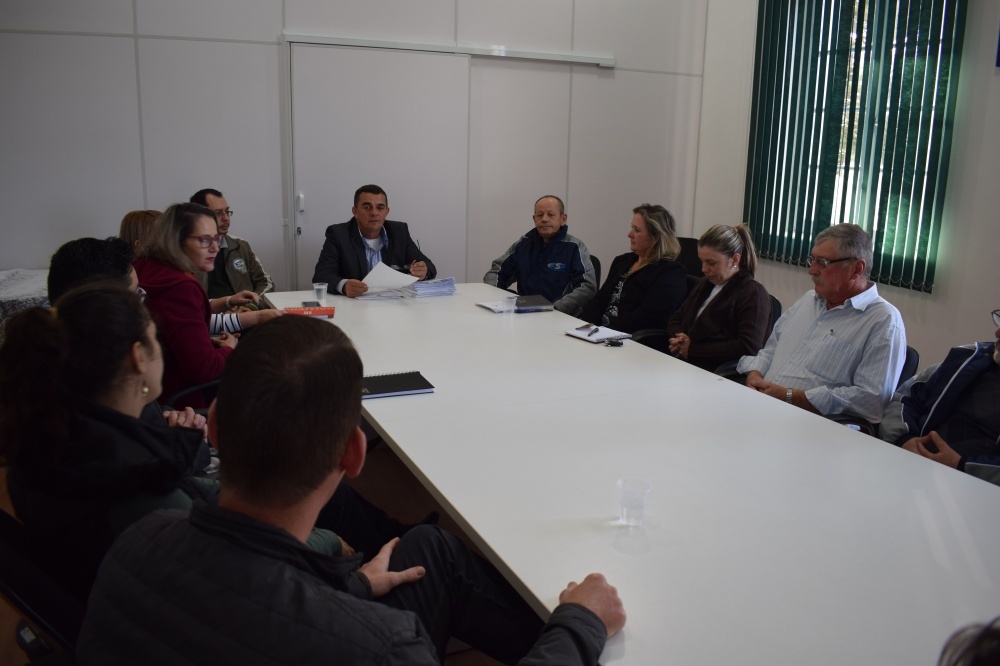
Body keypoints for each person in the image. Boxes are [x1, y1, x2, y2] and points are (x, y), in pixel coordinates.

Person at [77, 316, 626, 664]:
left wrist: (356, 586)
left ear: (214, 426)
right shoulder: (383, 648)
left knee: (427, 548)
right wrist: (581, 625)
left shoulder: (137, 541)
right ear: (354, 455)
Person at [0, 283, 215, 602]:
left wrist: (169, 447)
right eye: (154, 338)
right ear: (139, 357)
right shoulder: (140, 492)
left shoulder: (42, 445)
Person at [737, 223, 906, 422]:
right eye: (812, 259)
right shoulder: (809, 300)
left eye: (823, 262)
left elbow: (871, 401)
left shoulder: (883, 321)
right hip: (761, 406)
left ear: (857, 269)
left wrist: (791, 397)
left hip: (812, 425)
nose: (812, 270)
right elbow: (771, 350)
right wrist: (755, 374)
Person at [133, 203, 242, 407]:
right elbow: (204, 369)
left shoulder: (144, 266)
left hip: (149, 393)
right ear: (176, 241)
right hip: (182, 402)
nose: (215, 248)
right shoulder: (180, 288)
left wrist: (207, 344)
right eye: (205, 240)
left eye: (217, 238)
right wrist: (229, 349)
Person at [880, 309, 1000, 486]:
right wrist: (905, 439)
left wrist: (961, 465)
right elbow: (904, 398)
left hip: (973, 488)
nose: (997, 332)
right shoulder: (968, 358)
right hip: (909, 463)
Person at [666, 224, 772, 371]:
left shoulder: (752, 293)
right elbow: (676, 318)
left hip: (714, 371)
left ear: (734, 260)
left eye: (711, 263)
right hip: (686, 364)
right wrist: (680, 341)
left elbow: (748, 347)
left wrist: (692, 349)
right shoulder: (704, 284)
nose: (703, 269)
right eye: (702, 261)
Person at [312, 184, 437, 298]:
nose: (374, 213)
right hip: (354, 307)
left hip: (393, 305)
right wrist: (344, 286)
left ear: (386, 212)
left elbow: (429, 266)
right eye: (367, 207)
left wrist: (423, 271)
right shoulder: (338, 234)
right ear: (355, 212)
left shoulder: (399, 232)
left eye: (380, 207)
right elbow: (321, 275)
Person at [579, 204, 686, 335]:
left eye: (637, 230)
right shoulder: (622, 261)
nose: (629, 234)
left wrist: (604, 331)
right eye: (632, 228)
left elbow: (649, 318)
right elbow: (600, 300)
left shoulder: (671, 272)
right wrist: (584, 326)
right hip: (598, 333)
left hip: (629, 339)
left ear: (655, 237)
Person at [485, 195, 597, 315]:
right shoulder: (523, 245)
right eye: (540, 215)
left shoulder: (575, 247)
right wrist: (497, 300)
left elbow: (586, 287)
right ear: (534, 219)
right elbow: (496, 273)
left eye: (550, 214)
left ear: (563, 219)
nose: (544, 219)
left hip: (560, 316)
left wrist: (555, 309)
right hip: (524, 314)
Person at [189, 188, 274, 298]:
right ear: (199, 217)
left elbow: (266, 283)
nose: (225, 218)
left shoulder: (240, 245)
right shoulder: (187, 253)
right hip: (209, 308)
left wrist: (251, 304)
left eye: (227, 212)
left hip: (247, 307)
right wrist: (224, 306)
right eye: (218, 213)